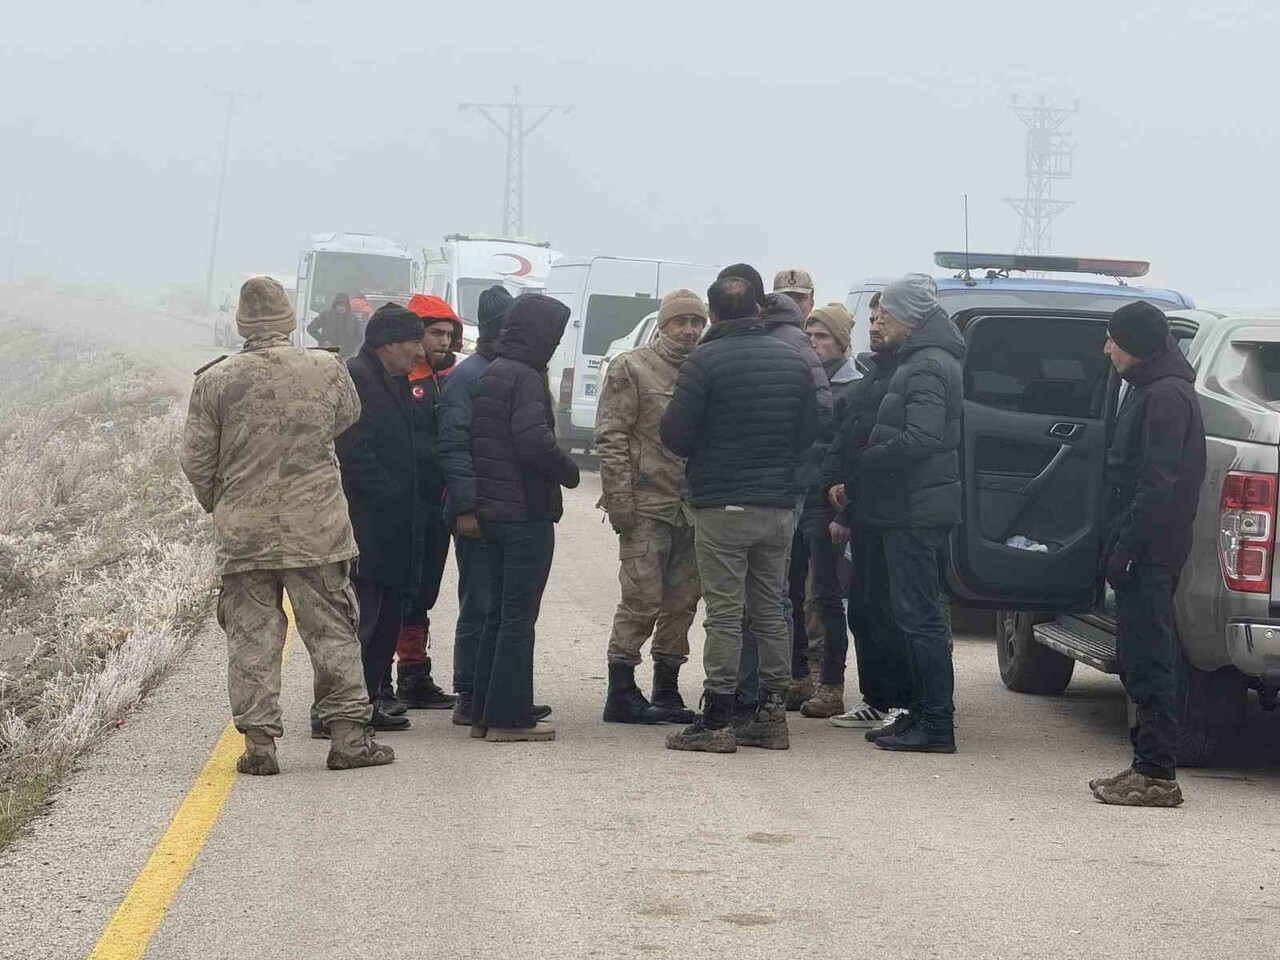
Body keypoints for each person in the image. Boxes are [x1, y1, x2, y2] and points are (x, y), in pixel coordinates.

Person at [180, 276, 394, 774]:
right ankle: (348, 739)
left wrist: (223, 501)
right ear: (290, 318)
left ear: (240, 322)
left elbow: (196, 460)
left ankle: (259, 748)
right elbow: (347, 418)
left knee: (251, 637)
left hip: (244, 532)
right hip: (317, 528)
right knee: (334, 632)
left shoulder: (215, 380)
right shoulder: (327, 369)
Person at [660, 276, 817, 754]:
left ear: (713, 314)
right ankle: (771, 717)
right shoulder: (794, 361)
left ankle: (716, 721)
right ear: (758, 310)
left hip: (723, 505)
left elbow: (675, 435)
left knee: (725, 615)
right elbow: (809, 431)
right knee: (771, 611)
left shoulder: (704, 361)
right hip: (777, 505)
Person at [1091, 302, 1205, 807]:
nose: (1107, 347)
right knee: (1138, 656)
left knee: (1150, 657)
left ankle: (1158, 775)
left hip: (1151, 549)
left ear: (1135, 341)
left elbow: (1157, 485)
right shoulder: (1151, 388)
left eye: (1113, 338)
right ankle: (1145, 765)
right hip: (1144, 545)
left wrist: (1127, 548)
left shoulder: (1166, 396)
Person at [849, 274, 964, 754]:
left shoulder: (927, 365)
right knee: (908, 613)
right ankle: (917, 712)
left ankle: (936, 722)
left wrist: (866, 459)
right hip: (908, 504)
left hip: (915, 508)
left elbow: (923, 437)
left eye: (887, 314)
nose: (880, 321)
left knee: (919, 617)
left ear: (910, 319)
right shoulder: (922, 359)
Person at [716, 264, 831, 721]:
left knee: (764, 596)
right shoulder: (786, 339)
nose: (799, 302)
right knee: (770, 594)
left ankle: (759, 695)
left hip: (773, 484)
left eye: (803, 295)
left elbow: (818, 416)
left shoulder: (785, 342)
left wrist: (778, 455)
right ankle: (765, 697)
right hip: (778, 482)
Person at [471, 294, 580, 742]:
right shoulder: (527, 377)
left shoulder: (494, 371)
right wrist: (569, 471)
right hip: (525, 513)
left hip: (493, 512)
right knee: (519, 617)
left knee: (497, 613)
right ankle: (510, 719)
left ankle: (484, 710)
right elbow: (532, 441)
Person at [596, 289, 708, 726]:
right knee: (641, 598)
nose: (689, 330)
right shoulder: (633, 367)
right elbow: (612, 435)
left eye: (696, 322)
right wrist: (620, 499)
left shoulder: (705, 369)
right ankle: (621, 688)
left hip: (692, 506)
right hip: (646, 504)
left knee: (682, 602)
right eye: (680, 322)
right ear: (662, 325)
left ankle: (667, 687)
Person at [822, 293, 915, 731]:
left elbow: (892, 446)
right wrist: (838, 486)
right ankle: (875, 699)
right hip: (865, 508)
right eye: (873, 318)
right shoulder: (876, 370)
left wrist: (853, 489)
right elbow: (852, 434)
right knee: (862, 608)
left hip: (897, 511)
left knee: (892, 611)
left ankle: (902, 702)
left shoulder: (912, 371)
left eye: (885, 318)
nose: (876, 325)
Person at [332, 303, 426, 734]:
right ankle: (335, 710)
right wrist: (392, 492)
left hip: (392, 527)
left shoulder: (391, 378)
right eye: (413, 343)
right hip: (367, 524)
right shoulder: (358, 377)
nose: (419, 352)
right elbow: (354, 450)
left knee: (386, 621)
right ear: (388, 344)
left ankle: (367, 702)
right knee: (360, 624)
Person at [437, 285, 514, 726]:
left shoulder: (510, 372)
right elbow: (453, 449)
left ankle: (494, 689)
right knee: (480, 601)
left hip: (508, 510)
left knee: (505, 604)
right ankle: (468, 690)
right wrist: (465, 509)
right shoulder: (468, 379)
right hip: (477, 511)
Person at [389, 294, 465, 710]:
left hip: (439, 504)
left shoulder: (451, 377)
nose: (443, 341)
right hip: (403, 504)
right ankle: (387, 678)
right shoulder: (397, 379)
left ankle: (414, 674)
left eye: (449, 335)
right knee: (399, 591)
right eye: (435, 333)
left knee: (424, 591)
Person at [792, 303, 862, 720]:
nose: (816, 344)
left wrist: (844, 513)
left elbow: (851, 455)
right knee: (790, 592)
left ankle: (831, 683)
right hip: (795, 498)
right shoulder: (802, 380)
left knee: (826, 596)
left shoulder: (856, 388)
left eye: (823, 337)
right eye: (811, 336)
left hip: (826, 504)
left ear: (841, 342)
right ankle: (797, 676)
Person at [307, 292, 362, 359]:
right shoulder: (325, 315)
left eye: (344, 306)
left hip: (347, 354)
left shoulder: (353, 318)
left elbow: (359, 336)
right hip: (328, 352)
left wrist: (351, 345)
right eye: (339, 306)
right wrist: (323, 340)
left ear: (347, 307)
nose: (341, 308)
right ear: (335, 306)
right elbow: (310, 328)